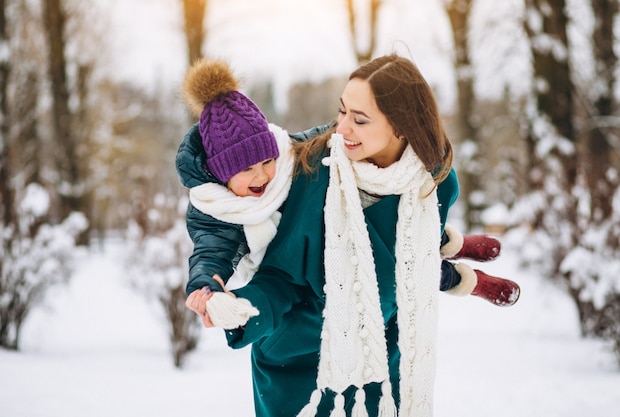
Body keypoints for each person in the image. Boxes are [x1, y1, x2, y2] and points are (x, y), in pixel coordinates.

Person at [180, 54, 519, 417]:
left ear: (402, 126)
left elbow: (410, 263)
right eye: (341, 112)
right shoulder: (313, 173)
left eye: (359, 119)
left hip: (386, 364)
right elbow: (278, 274)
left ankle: (463, 264)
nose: (341, 129)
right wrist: (239, 308)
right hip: (304, 366)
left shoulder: (433, 182)